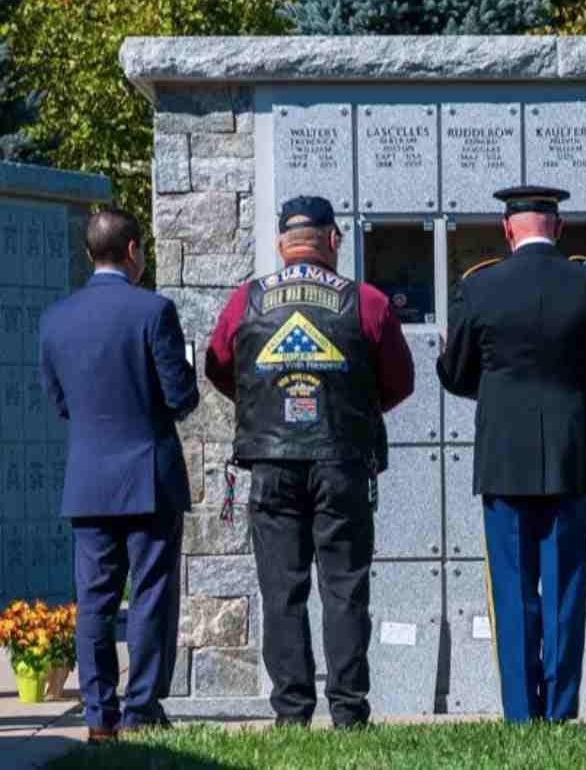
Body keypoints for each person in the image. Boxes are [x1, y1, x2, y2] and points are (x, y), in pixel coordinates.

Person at [204, 195, 414, 729]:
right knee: (344, 589)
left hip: (271, 464)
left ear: (281, 244)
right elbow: (400, 382)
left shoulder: (246, 300)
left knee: (282, 590)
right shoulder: (366, 302)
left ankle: (291, 713)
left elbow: (220, 365)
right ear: (334, 241)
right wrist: (350, 409)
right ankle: (348, 713)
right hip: (341, 462)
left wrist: (266, 403)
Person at [437, 185, 586, 723]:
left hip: (503, 455)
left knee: (512, 587)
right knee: (567, 587)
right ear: (560, 226)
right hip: (572, 453)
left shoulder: (479, 286)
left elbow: (455, 373)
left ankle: (522, 712)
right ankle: (562, 707)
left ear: (508, 229)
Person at [38, 208, 199, 742]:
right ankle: (141, 708)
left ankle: (98, 715)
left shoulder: (56, 318)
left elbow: (60, 402)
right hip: (148, 477)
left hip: (87, 479)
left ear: (90, 255)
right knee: (151, 595)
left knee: (95, 601)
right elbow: (180, 398)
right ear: (133, 251)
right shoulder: (154, 310)